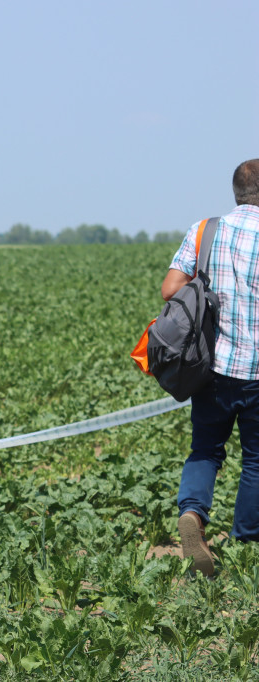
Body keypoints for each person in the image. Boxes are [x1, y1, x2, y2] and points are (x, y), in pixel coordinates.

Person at [162, 159, 259, 577]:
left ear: (236, 192)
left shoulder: (206, 230)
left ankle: (194, 515)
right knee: (256, 460)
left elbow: (170, 289)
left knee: (205, 450)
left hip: (213, 368)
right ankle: (245, 543)